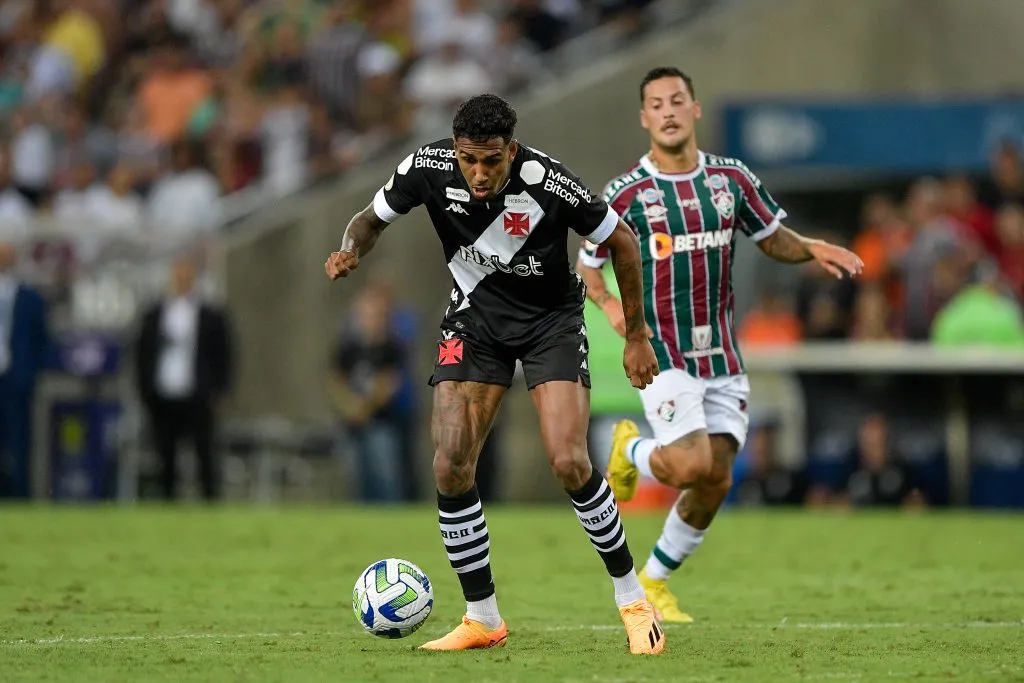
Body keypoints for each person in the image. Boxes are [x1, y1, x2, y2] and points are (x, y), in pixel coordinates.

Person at [324, 94, 665, 654]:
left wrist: (636, 335)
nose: (478, 174)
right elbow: (368, 220)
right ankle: (483, 617)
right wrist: (348, 250)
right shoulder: (428, 167)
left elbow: (621, 240)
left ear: (511, 149)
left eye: (491, 161)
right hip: (474, 322)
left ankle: (633, 599)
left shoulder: (549, 182)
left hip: (550, 323)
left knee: (568, 460)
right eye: (468, 161)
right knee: (451, 464)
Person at [576, 67, 863, 622]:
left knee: (717, 478)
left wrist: (812, 247)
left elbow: (771, 237)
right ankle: (629, 448)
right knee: (689, 465)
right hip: (662, 351)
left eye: (677, 100)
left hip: (721, 354)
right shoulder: (626, 193)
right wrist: (611, 307)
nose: (668, 110)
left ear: (695, 109)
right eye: (656, 103)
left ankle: (653, 581)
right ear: (644, 118)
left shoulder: (730, 179)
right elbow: (588, 267)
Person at [135, 250, 234, 501]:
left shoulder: (210, 315)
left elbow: (224, 354)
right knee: (165, 455)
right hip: (164, 393)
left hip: (198, 394)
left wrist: (221, 390)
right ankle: (168, 502)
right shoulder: (155, 314)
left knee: (204, 454)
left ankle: (209, 505)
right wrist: (146, 390)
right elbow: (142, 354)